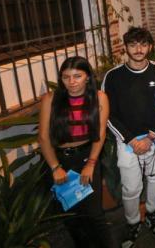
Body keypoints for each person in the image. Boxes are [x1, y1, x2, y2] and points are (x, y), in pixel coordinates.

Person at [102, 28, 155, 247]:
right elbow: (108, 113)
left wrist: (151, 136)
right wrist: (131, 140)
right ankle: (132, 222)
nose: (138, 49)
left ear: (150, 47)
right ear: (125, 48)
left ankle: (151, 213)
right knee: (131, 187)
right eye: (133, 45)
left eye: (143, 44)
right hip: (127, 141)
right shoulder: (113, 76)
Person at [37, 56, 116, 247]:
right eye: (66, 77)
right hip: (58, 161)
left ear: (88, 77)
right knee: (71, 215)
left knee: (95, 214)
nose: (71, 82)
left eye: (77, 76)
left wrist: (91, 164)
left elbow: (100, 133)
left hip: (87, 157)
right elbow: (44, 137)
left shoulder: (99, 97)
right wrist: (55, 167)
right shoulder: (51, 99)